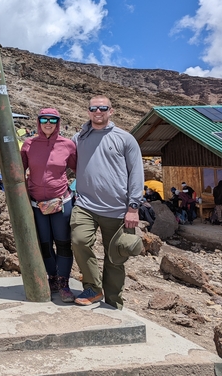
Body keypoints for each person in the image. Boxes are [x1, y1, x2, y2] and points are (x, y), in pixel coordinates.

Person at [71, 95, 143, 309]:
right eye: (93, 108)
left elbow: (137, 174)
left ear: (111, 111)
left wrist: (133, 207)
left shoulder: (125, 139)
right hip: (85, 205)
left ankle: (114, 303)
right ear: (88, 112)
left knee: (115, 257)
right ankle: (93, 286)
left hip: (118, 210)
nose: (98, 111)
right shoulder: (79, 138)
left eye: (103, 108)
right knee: (79, 240)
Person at [21, 108, 77, 303]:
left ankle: (64, 283)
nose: (48, 123)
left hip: (61, 202)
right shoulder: (28, 144)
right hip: (37, 204)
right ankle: (52, 278)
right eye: (44, 119)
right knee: (44, 244)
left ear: (58, 122)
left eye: (52, 120)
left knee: (63, 243)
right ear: (38, 122)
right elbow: (19, 172)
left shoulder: (67, 145)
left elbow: (77, 169)